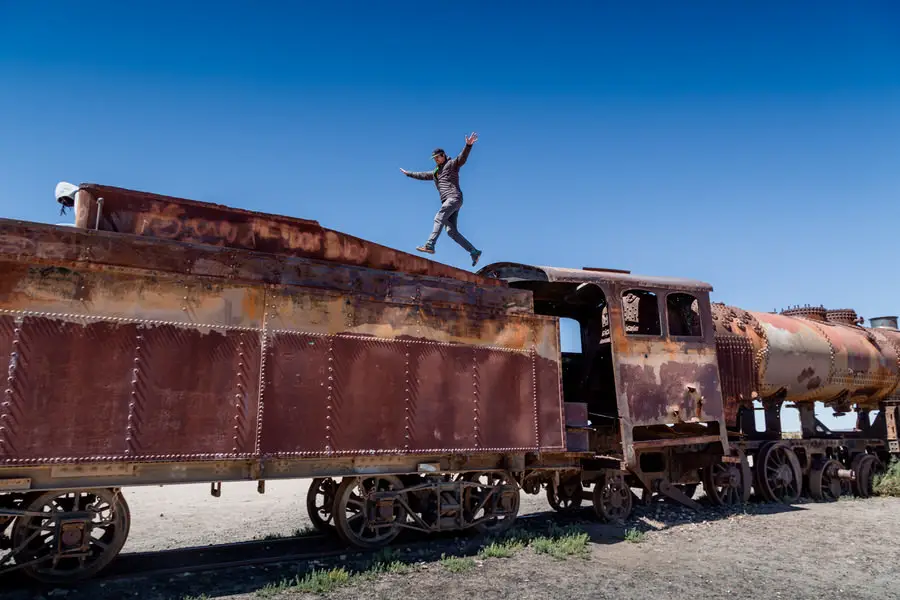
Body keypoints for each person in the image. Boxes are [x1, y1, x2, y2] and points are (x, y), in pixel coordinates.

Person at [400, 132, 482, 267]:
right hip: (450, 202)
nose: (436, 160)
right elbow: (422, 175)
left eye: (438, 157)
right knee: (451, 232)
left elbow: (462, 158)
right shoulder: (435, 173)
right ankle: (473, 251)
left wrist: (468, 145)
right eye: (434, 158)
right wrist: (408, 174)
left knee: (439, 217)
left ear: (443, 155)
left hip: (454, 197)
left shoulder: (451, 164)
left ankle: (430, 245)